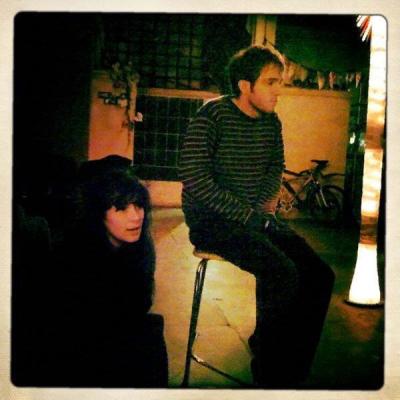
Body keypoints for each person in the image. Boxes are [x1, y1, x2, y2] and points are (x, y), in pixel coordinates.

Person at [179, 45, 335, 388]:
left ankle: (291, 363)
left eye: (281, 82)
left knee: (320, 276)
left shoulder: (271, 121)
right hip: (211, 222)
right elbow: (194, 176)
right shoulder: (212, 115)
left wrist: (263, 208)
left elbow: (274, 167)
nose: (279, 90)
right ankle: (271, 375)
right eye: (271, 82)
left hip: (254, 218)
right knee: (280, 271)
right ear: (244, 86)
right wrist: (248, 216)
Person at [12, 156, 168, 387]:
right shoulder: (74, 256)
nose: (135, 216)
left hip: (111, 339)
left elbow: (137, 307)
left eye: (139, 205)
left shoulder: (140, 249)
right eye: (121, 208)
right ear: (99, 213)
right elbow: (71, 331)